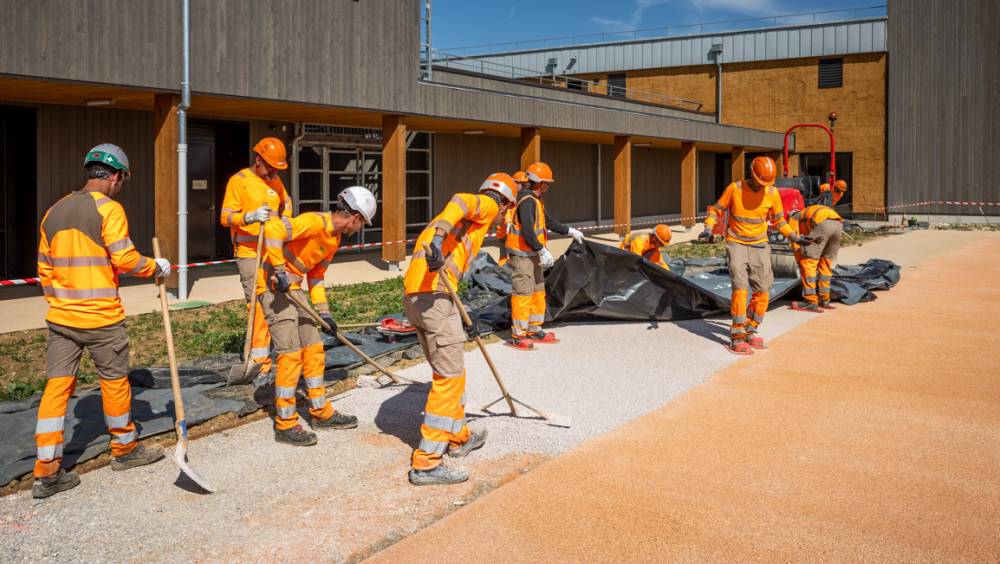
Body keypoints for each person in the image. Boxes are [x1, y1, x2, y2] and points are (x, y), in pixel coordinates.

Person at [33, 144, 170, 498]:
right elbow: (124, 258)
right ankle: (124, 449)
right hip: (101, 317)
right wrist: (157, 267)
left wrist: (59, 301)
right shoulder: (109, 209)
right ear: (116, 176)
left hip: (61, 317)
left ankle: (46, 472)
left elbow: (44, 268)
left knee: (57, 387)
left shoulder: (54, 210)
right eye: (123, 179)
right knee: (113, 380)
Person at [404, 173, 517, 486]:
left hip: (421, 297)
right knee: (449, 378)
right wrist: (439, 240)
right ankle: (426, 463)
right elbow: (459, 198)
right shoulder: (487, 205)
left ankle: (458, 437)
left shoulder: (464, 223)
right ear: (506, 202)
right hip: (436, 298)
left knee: (451, 370)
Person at [257, 186, 376, 446]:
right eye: (363, 222)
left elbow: (317, 276)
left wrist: (325, 312)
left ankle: (320, 412)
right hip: (273, 287)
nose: (361, 228)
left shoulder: (333, 240)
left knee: (313, 349)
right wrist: (279, 270)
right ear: (354, 217)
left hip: (295, 290)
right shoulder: (314, 222)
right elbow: (274, 230)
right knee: (290, 354)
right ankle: (285, 423)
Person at [699, 156, 811, 355]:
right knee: (740, 288)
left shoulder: (772, 193)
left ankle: (750, 328)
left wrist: (794, 237)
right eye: (760, 183)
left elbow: (779, 221)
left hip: (760, 245)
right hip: (736, 243)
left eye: (766, 184)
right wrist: (708, 228)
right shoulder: (735, 189)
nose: (762, 187)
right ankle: (737, 334)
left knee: (764, 290)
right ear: (752, 175)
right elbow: (717, 210)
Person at [220, 137, 294, 377]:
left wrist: (286, 219)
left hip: (271, 251)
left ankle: (272, 352)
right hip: (249, 252)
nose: (273, 171)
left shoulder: (274, 179)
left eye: (277, 168)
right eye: (271, 166)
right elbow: (225, 216)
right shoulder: (239, 181)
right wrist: (248, 217)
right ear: (259, 160)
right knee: (257, 305)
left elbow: (286, 201)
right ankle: (258, 361)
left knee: (275, 302)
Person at [504, 162, 585, 350]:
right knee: (523, 293)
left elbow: (548, 222)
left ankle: (533, 329)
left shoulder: (535, 200)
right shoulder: (527, 201)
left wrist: (570, 231)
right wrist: (541, 249)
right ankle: (518, 335)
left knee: (538, 290)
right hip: (522, 254)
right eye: (547, 183)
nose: (548, 186)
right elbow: (527, 231)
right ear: (542, 184)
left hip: (532, 253)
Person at [788, 204, 844, 312]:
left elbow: (794, 241)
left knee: (808, 261)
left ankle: (810, 301)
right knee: (825, 262)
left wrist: (799, 259)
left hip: (823, 224)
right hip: (838, 224)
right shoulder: (807, 212)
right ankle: (824, 299)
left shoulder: (793, 218)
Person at [496, 171, 529, 266]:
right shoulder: (510, 195)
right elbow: (506, 212)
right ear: (515, 183)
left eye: (525, 185)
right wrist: (508, 225)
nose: (523, 187)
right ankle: (502, 274)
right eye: (521, 184)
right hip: (505, 232)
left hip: (511, 232)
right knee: (505, 258)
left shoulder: (519, 195)